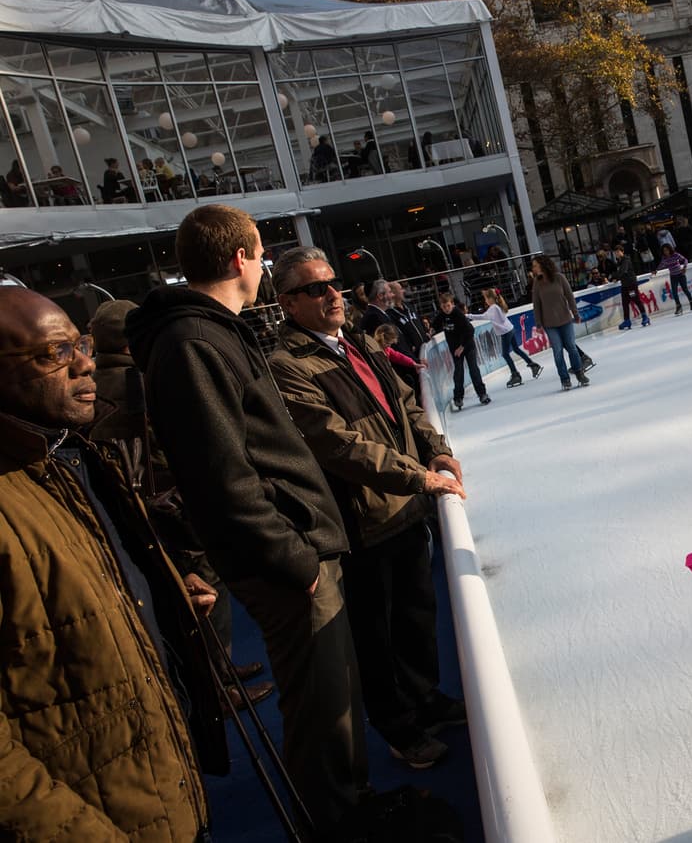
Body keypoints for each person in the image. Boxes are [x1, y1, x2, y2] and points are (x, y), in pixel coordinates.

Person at [125, 204, 370, 837]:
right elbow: (220, 477)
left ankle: (350, 809)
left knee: (335, 699)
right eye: (261, 255)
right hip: (285, 563)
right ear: (241, 258)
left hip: (295, 549)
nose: (263, 266)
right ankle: (336, 825)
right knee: (320, 709)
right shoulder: (190, 342)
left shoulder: (213, 331)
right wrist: (292, 559)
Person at [0, 288, 224, 841]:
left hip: (160, 790)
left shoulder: (67, 458)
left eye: (80, 342)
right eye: (54, 353)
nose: (84, 360)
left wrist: (160, 594)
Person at [267, 247, 469, 771]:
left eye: (333, 283)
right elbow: (337, 445)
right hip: (361, 524)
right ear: (288, 303)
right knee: (375, 638)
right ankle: (399, 727)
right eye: (316, 288)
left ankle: (425, 699)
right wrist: (419, 476)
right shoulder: (287, 367)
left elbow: (405, 403)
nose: (334, 293)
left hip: (406, 511)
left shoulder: (356, 340)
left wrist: (436, 449)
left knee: (416, 618)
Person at [87, 299, 275, 714]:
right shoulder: (140, 382)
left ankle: (220, 672)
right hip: (172, 510)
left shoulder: (95, 385)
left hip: (138, 514)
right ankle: (216, 685)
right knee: (205, 593)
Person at [529, 254, 590, 391]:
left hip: (565, 320)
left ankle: (579, 373)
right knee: (557, 351)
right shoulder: (537, 283)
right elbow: (536, 304)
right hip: (549, 324)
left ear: (543, 265)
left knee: (572, 348)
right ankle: (564, 379)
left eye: (535, 265)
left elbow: (570, 296)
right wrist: (538, 323)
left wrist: (575, 313)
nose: (533, 268)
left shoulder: (559, 278)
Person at [468, 287, 541, 388]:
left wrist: (469, 316)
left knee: (505, 354)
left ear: (490, 299)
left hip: (505, 332)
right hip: (509, 329)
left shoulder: (493, 308)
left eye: (485, 299)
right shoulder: (497, 306)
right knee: (516, 349)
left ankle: (515, 374)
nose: (485, 301)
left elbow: (483, 316)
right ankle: (533, 365)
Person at [429, 291, 489, 410]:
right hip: (455, 349)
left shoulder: (458, 315)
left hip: (467, 345)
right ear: (441, 306)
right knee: (458, 372)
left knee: (473, 368)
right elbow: (434, 324)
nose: (446, 309)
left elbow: (470, 331)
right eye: (444, 306)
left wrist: (462, 347)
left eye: (448, 306)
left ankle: (482, 394)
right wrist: (431, 330)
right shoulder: (441, 315)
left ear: (452, 304)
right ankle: (458, 397)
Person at [614, 244, 650, 330]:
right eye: (615, 252)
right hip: (625, 285)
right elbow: (619, 271)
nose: (617, 254)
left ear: (622, 252)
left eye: (618, 252)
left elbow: (623, 271)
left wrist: (616, 277)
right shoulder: (619, 262)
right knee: (625, 303)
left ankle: (645, 317)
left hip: (631, 285)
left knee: (636, 300)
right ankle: (627, 320)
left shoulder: (626, 260)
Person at [660, 242, 692, 315]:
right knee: (674, 292)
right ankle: (679, 306)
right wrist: (656, 270)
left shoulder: (675, 255)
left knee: (685, 289)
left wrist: (684, 267)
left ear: (670, 249)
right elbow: (661, 265)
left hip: (680, 274)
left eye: (667, 250)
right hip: (673, 276)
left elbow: (685, 260)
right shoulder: (664, 258)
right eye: (664, 251)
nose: (666, 252)